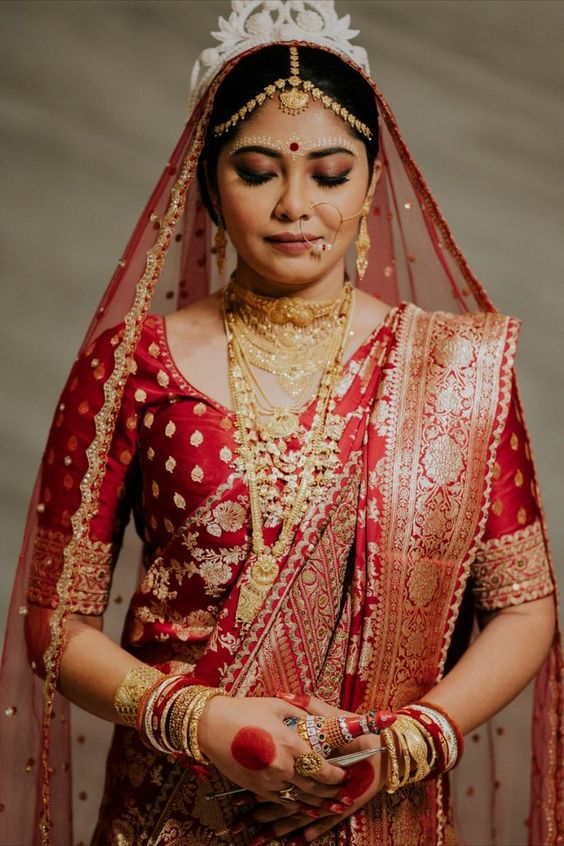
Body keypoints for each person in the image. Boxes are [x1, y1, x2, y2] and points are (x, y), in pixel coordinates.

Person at [0, 2, 561, 845]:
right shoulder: (131, 366)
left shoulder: (451, 370)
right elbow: (55, 620)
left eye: (330, 175)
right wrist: (204, 723)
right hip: (176, 804)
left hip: (376, 804)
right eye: (258, 171)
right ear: (209, 184)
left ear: (372, 184)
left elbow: (524, 608)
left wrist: (404, 746)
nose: (296, 204)